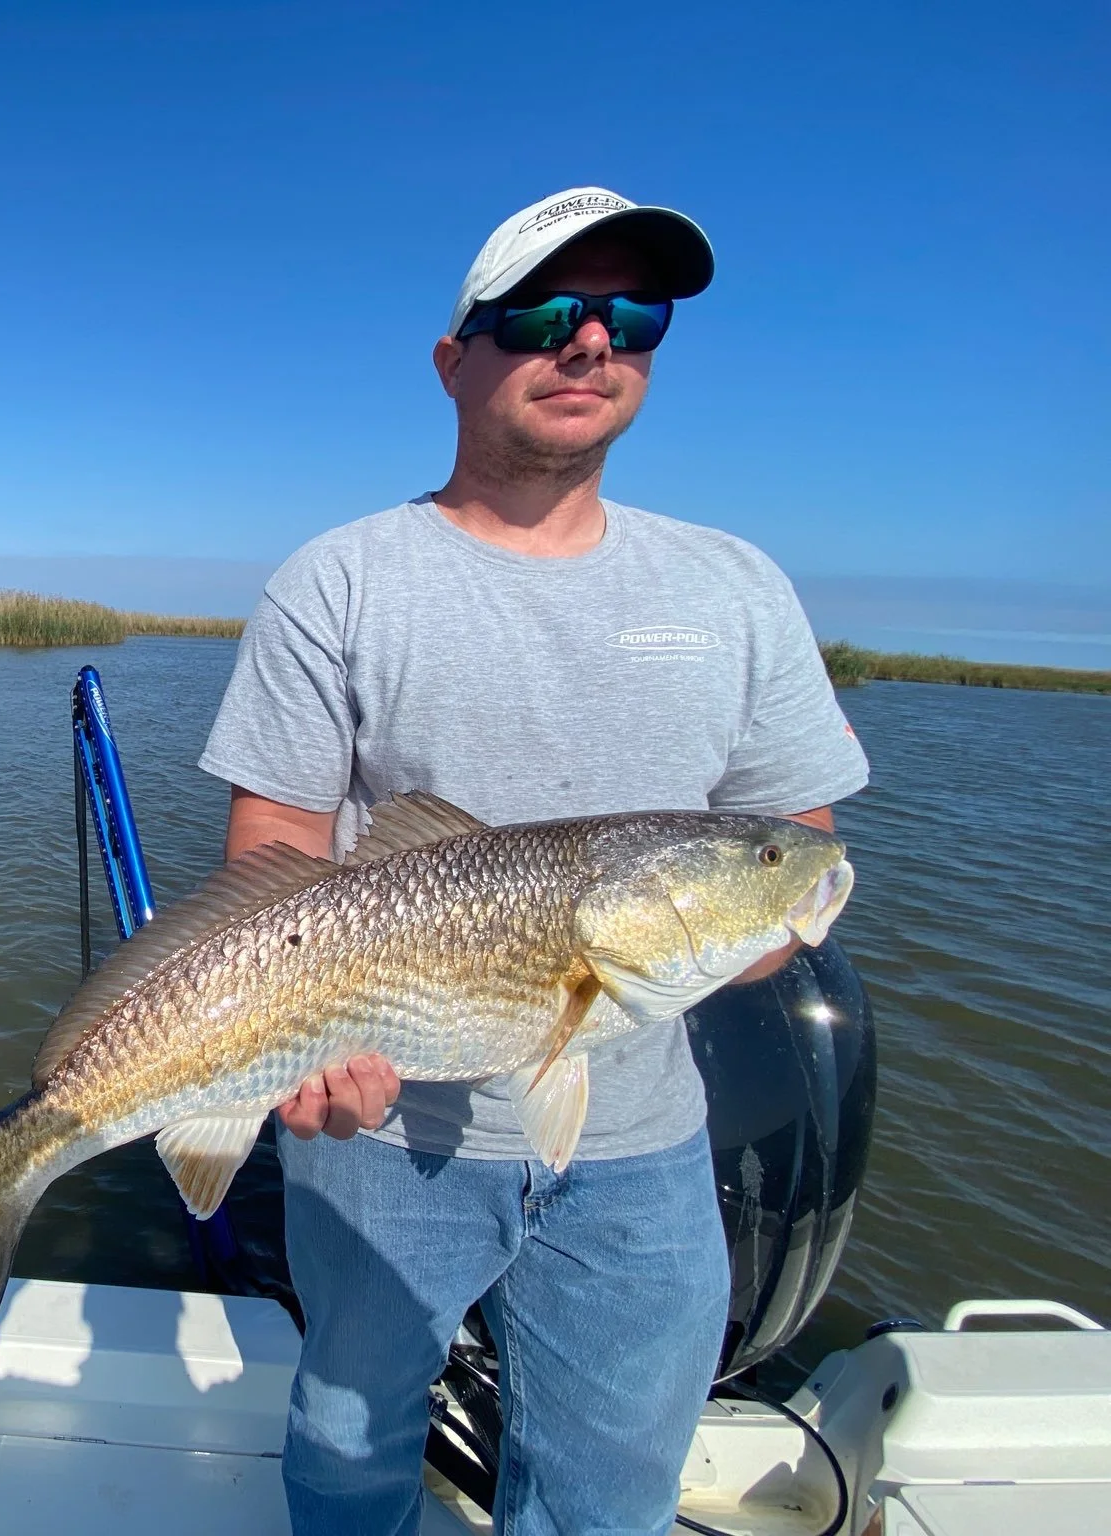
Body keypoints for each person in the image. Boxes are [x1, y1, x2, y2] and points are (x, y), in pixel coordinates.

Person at [197, 187, 870, 1536]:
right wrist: (287, 1049)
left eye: (634, 317)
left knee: (611, 1484)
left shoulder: (737, 585)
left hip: (642, 1139)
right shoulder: (338, 581)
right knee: (348, 1428)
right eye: (546, 315)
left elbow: (802, 847)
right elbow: (275, 846)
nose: (592, 344)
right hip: (379, 1129)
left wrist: (710, 932)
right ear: (455, 360)